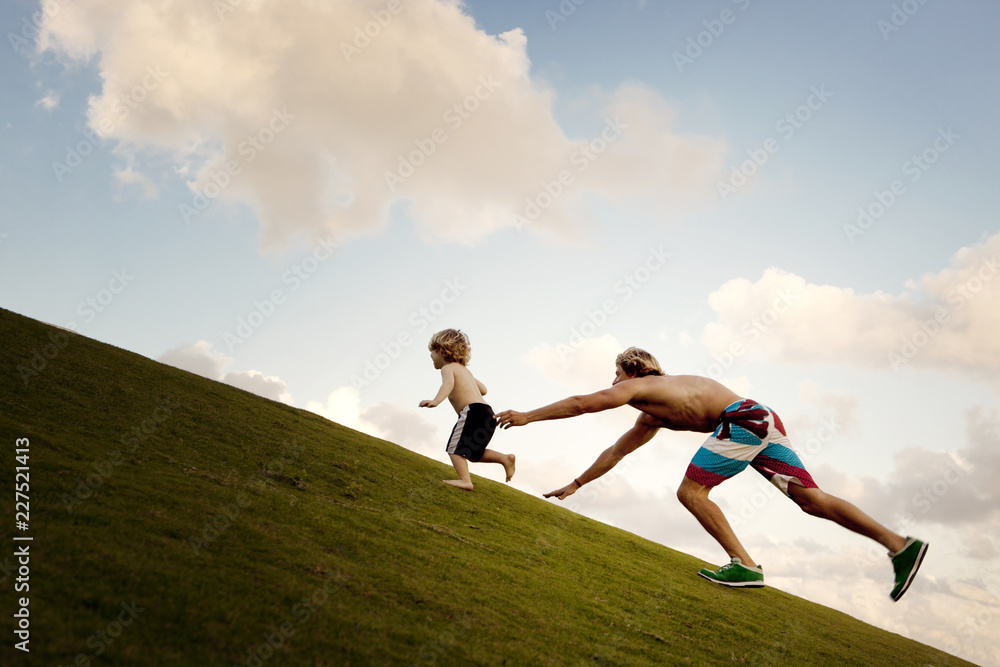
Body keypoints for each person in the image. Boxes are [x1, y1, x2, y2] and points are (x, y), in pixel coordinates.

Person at [495, 347, 927, 601]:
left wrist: (528, 416)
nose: (613, 382)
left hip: (742, 419)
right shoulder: (653, 413)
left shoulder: (641, 386)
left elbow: (582, 402)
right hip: (762, 418)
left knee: (691, 493)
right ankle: (899, 545)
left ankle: (745, 566)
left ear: (634, 370)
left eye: (616, 374)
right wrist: (577, 483)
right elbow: (616, 451)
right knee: (810, 499)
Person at [419, 329, 515, 491]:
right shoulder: (465, 371)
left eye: (432, 352)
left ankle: (465, 481)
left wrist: (436, 401)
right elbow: (484, 390)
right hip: (487, 414)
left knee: (454, 449)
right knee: (473, 453)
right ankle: (505, 459)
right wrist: (467, 379)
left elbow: (447, 384)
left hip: (473, 412)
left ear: (441, 350)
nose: (431, 356)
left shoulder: (448, 369)